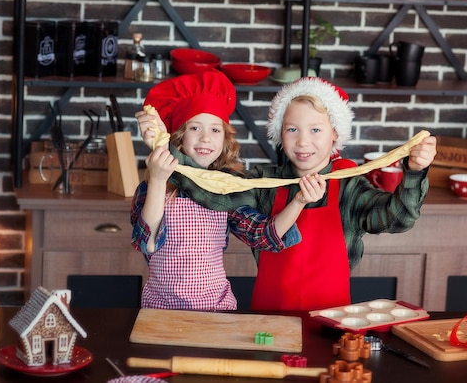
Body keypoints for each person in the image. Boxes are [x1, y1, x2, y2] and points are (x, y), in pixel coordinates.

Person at [153, 76, 437, 311]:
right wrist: (164, 144)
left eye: (315, 129)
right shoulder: (263, 183)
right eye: (292, 129)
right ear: (280, 134)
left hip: (332, 321)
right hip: (268, 320)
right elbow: (212, 188)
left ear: (335, 134)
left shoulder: (350, 188)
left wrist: (414, 170)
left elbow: (398, 219)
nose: (303, 142)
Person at [131, 70, 326, 310]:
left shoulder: (226, 188)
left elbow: (261, 235)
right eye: (194, 128)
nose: (205, 138)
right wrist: (159, 181)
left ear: (225, 139)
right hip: (160, 310)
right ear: (178, 137)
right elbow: (147, 242)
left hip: (216, 309)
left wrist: (299, 201)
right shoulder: (153, 186)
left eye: (215, 130)